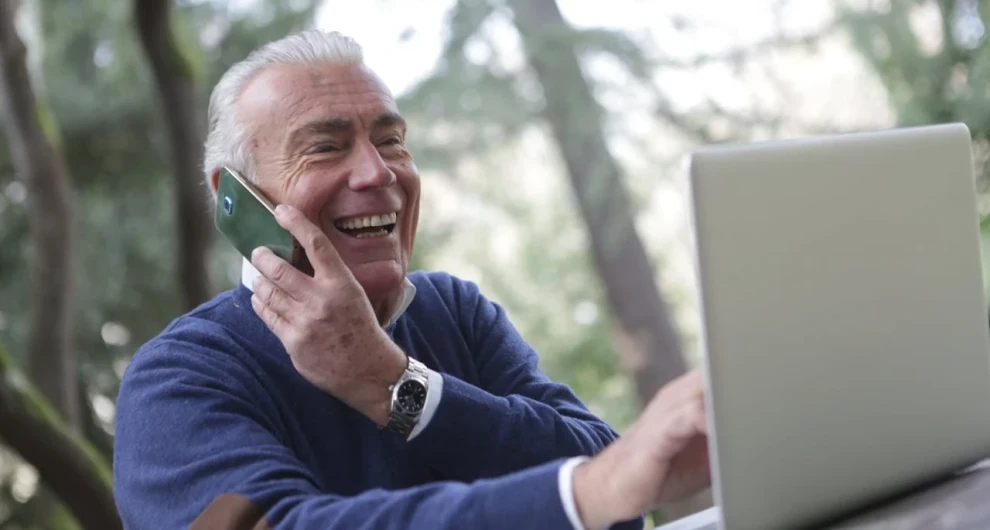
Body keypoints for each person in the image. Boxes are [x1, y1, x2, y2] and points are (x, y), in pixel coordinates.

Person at [112, 29, 711, 530]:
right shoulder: (177, 380)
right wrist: (583, 493)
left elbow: (620, 494)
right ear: (235, 198)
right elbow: (597, 490)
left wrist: (396, 386)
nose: (377, 172)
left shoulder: (453, 311)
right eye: (326, 147)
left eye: (391, 141)